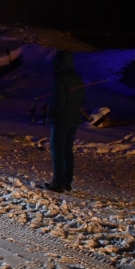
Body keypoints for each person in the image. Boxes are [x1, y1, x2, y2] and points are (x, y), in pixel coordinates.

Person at [44, 50, 86, 193]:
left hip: (61, 119)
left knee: (57, 150)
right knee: (67, 150)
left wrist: (50, 113)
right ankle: (67, 183)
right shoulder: (77, 77)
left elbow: (58, 102)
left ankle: (58, 183)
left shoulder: (60, 78)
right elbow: (82, 99)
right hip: (74, 118)